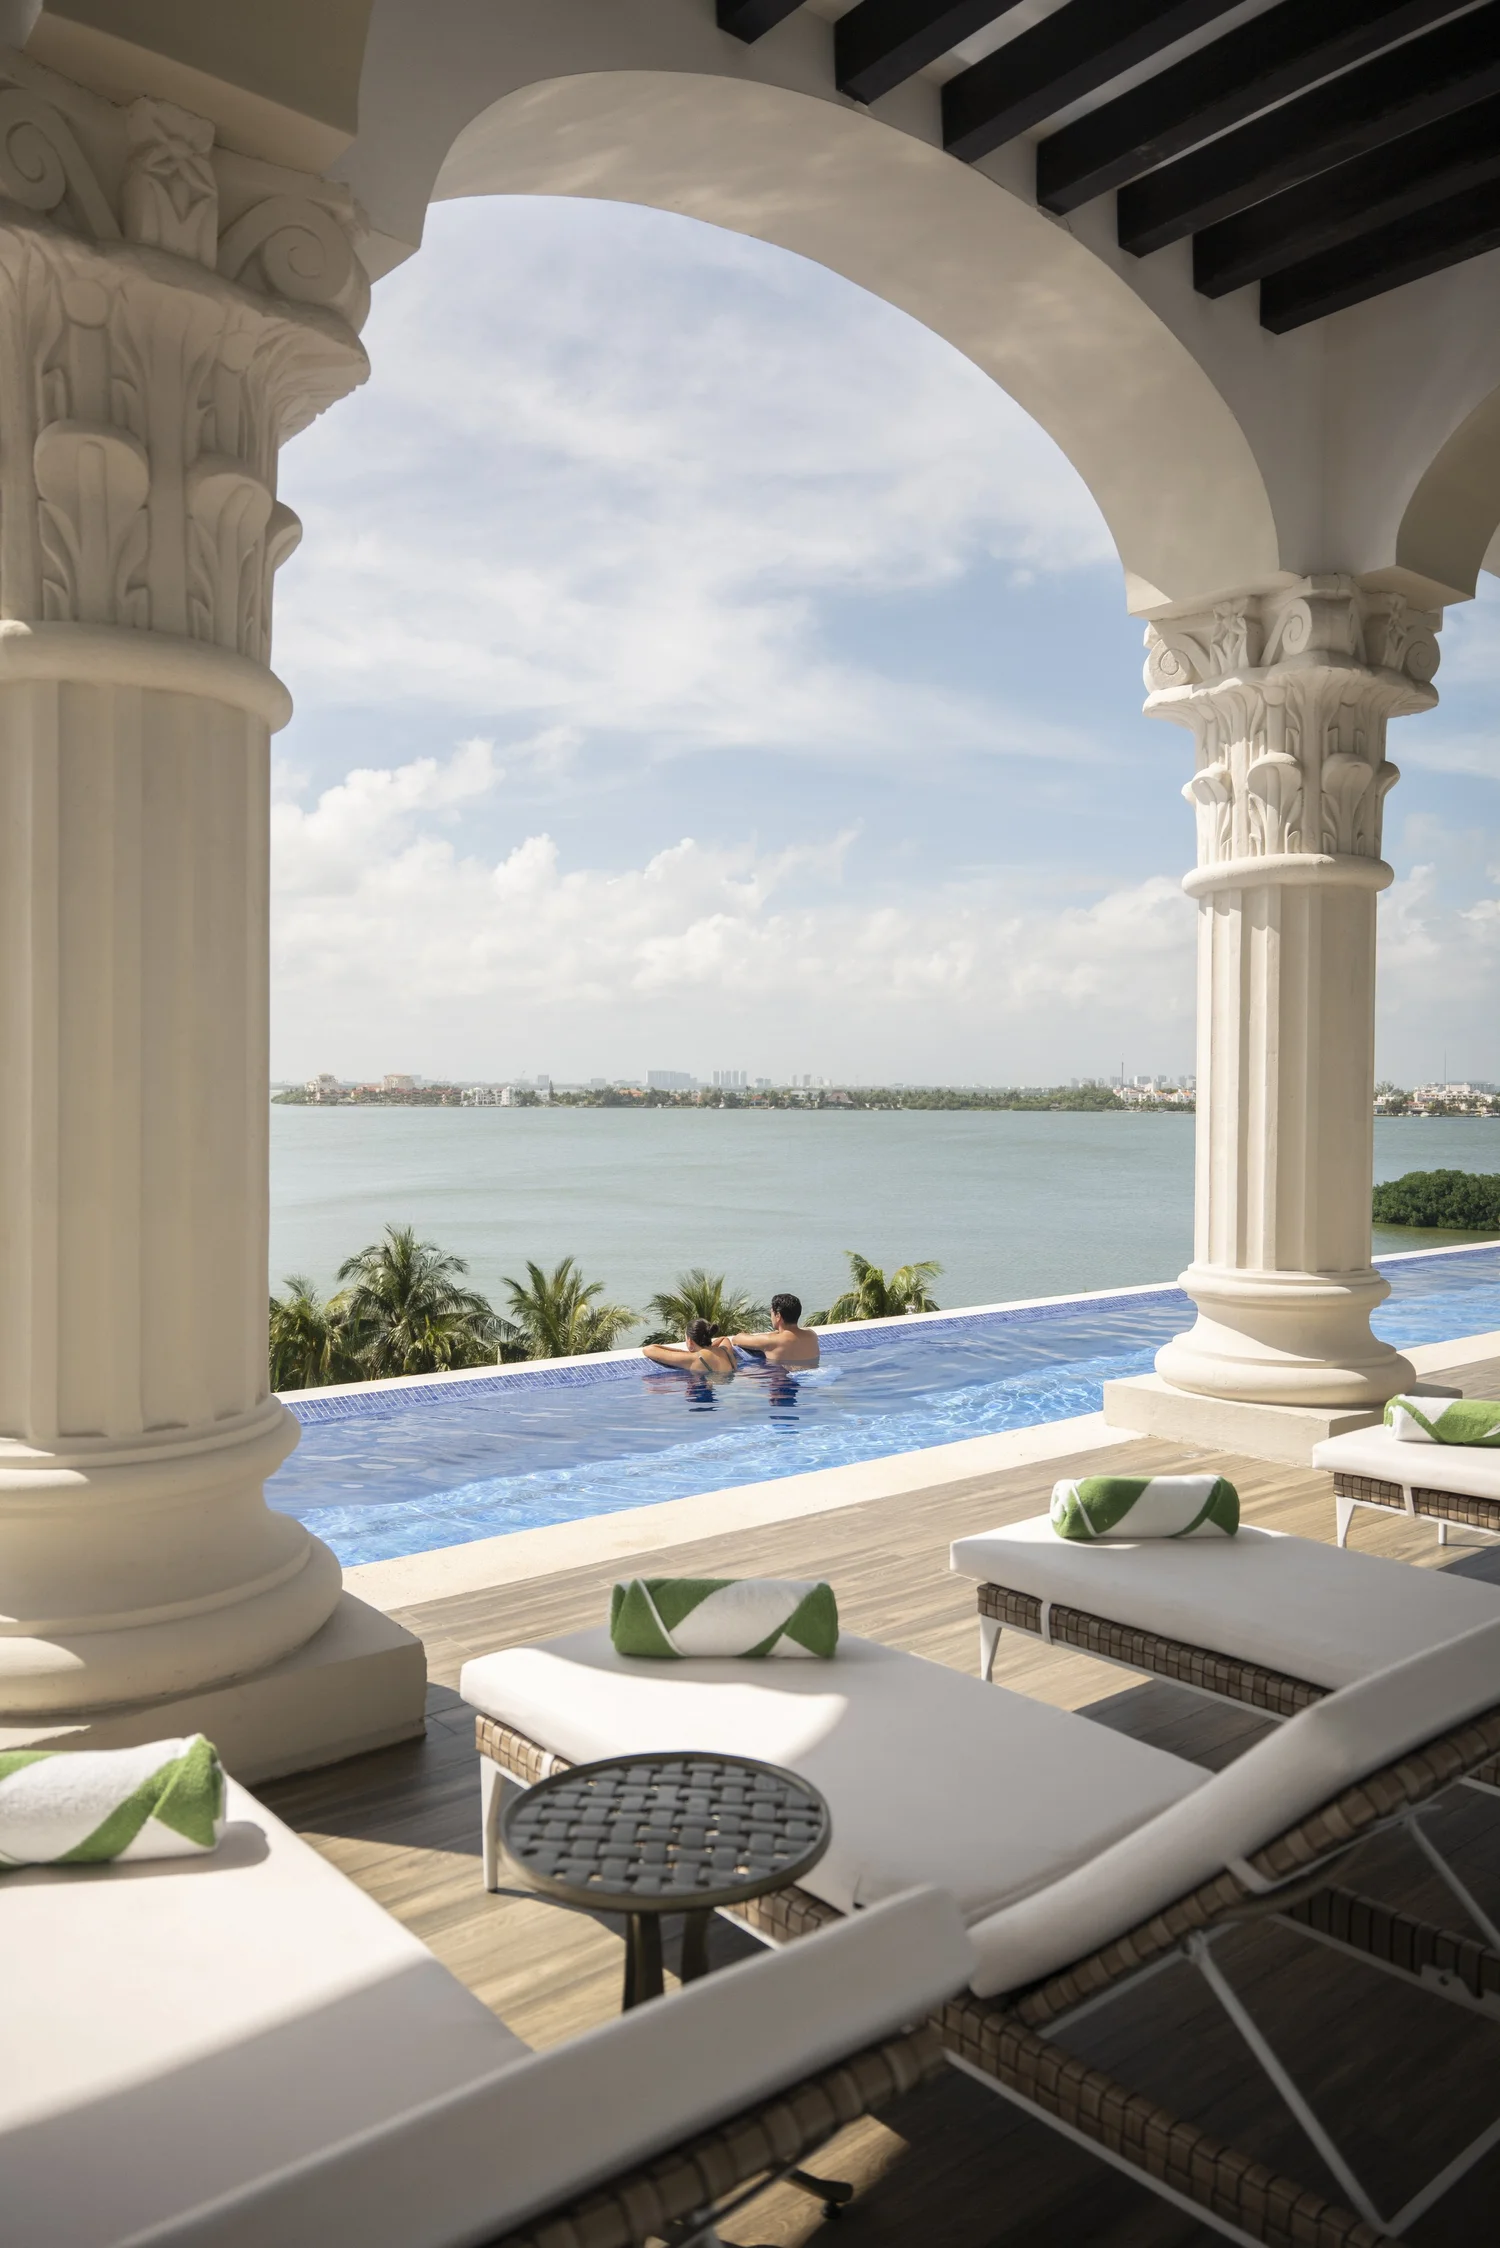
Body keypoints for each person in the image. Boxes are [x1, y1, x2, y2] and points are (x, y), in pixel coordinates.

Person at [721, 1292, 820, 1370]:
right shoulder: (811, 1335)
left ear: (778, 1316)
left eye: (771, 1313)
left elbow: (737, 1339)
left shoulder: (772, 1341)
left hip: (783, 1381)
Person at [642, 1317, 737, 1376]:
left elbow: (648, 1349)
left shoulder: (693, 1358)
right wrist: (708, 1348)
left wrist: (684, 1352)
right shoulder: (724, 1350)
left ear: (690, 1341)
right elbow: (724, 1338)